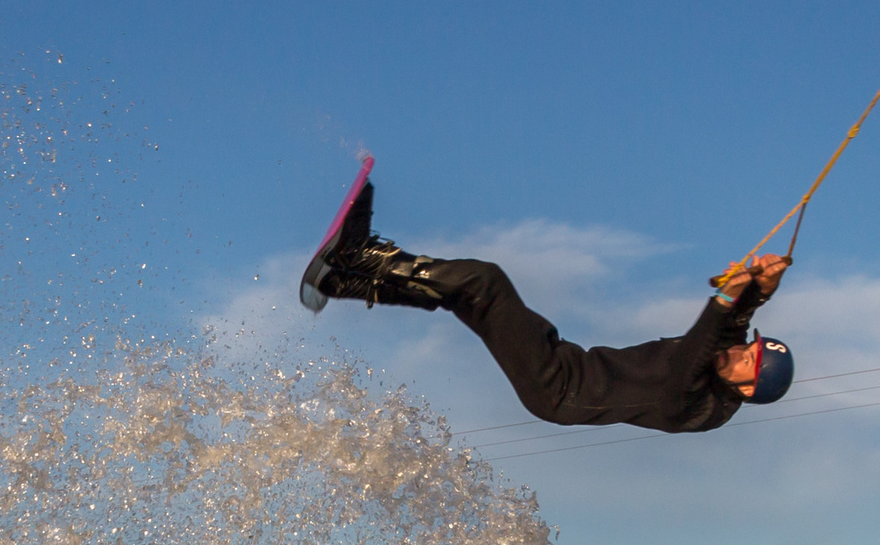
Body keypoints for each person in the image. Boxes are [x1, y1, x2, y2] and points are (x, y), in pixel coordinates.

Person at [303, 182, 795, 434]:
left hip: (558, 390)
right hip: (567, 360)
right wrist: (761, 287)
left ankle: (359, 255)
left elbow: (690, 360)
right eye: (746, 349)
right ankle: (347, 281)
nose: (737, 353)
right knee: (466, 295)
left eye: (746, 361)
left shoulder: (704, 407)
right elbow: (731, 326)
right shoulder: (726, 360)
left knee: (485, 281)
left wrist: (726, 297)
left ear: (748, 390)